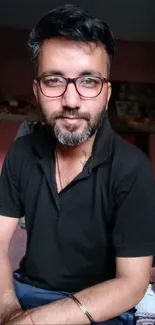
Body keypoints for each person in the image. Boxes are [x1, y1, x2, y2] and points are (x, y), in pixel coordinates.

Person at [0, 4, 155, 325]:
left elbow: (132, 283)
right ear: (36, 89)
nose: (71, 101)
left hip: (100, 304)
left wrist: (29, 323)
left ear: (107, 93)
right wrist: (8, 310)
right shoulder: (22, 153)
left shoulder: (132, 169)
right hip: (24, 292)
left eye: (88, 81)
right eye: (54, 80)